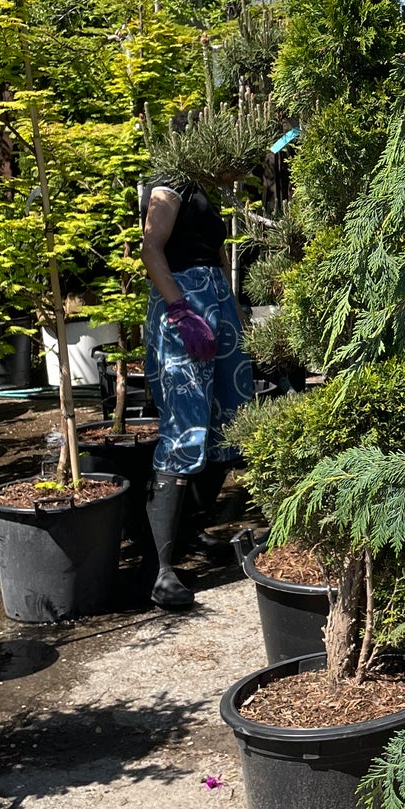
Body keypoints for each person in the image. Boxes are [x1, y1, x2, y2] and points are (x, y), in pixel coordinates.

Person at [139, 170, 253, 608]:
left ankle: (190, 531)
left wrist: (235, 314)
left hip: (219, 304)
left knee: (229, 422)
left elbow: (217, 255)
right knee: (184, 428)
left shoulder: (203, 185)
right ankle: (161, 570)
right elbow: (151, 249)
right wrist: (180, 310)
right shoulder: (169, 182)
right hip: (185, 306)